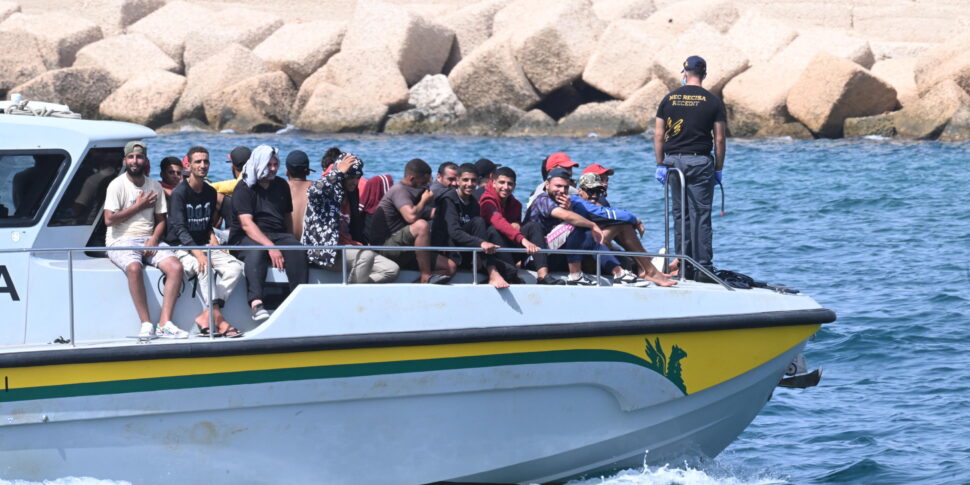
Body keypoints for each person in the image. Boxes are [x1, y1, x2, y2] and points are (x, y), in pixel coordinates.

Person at [102, 141, 188, 338]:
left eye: (139, 157)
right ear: (125, 160)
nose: (135, 161)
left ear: (146, 160)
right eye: (131, 157)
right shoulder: (116, 185)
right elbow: (109, 220)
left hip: (149, 238)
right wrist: (138, 206)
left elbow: (161, 221)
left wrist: (154, 239)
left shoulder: (154, 186)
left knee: (175, 267)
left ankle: (164, 323)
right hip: (120, 240)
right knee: (134, 268)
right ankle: (146, 323)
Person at [654, 55, 726, 282]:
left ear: (685, 73)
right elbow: (720, 139)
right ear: (704, 75)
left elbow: (658, 135)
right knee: (701, 215)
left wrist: (660, 164)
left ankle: (683, 264)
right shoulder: (713, 101)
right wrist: (718, 168)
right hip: (700, 162)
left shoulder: (669, 99)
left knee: (680, 214)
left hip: (673, 163)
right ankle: (703, 268)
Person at [166, 146, 245, 337]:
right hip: (181, 246)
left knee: (236, 268)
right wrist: (199, 255)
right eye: (198, 162)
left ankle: (207, 315)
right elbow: (180, 229)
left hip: (203, 244)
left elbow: (207, 224)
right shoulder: (179, 193)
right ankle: (220, 320)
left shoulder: (210, 192)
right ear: (189, 165)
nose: (203, 165)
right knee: (204, 267)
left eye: (206, 161)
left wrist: (212, 239)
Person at [229, 145, 308, 321]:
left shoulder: (281, 185)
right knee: (257, 251)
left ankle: (298, 301)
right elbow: (247, 224)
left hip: (277, 234)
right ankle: (256, 302)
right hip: (244, 237)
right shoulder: (244, 188)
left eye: (275, 164)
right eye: (268, 165)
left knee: (297, 249)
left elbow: (287, 217)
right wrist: (271, 247)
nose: (273, 169)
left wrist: (290, 240)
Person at [525, 168, 639, 286]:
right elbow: (567, 217)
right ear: (547, 185)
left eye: (565, 187)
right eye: (558, 186)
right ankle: (575, 275)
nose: (562, 190)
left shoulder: (566, 201)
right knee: (575, 225)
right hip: (536, 258)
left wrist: (571, 210)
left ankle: (618, 273)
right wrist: (592, 224)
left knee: (589, 234)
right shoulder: (543, 199)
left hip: (556, 256)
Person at [304, 153, 399, 284]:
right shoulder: (327, 192)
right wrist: (337, 172)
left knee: (391, 269)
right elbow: (312, 192)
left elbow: (356, 226)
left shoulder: (352, 194)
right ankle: (353, 294)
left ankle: (353, 289)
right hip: (325, 252)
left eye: (358, 177)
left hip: (349, 248)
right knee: (366, 256)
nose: (355, 181)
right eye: (350, 177)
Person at [573, 173, 676, 287]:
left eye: (598, 192)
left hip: (588, 252)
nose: (594, 195)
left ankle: (646, 269)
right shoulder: (577, 202)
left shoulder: (589, 202)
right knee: (622, 225)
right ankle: (648, 269)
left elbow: (610, 215)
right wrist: (635, 220)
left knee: (622, 226)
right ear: (580, 190)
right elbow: (604, 214)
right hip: (575, 259)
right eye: (591, 191)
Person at [366, 158, 452, 284]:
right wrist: (423, 201)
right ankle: (426, 275)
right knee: (421, 226)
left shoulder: (416, 191)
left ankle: (418, 286)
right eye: (424, 181)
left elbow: (430, 213)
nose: (427, 185)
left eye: (429, 181)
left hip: (405, 248)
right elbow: (411, 217)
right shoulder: (399, 190)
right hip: (385, 248)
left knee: (449, 267)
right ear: (412, 178)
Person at [431, 163, 514, 288]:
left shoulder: (473, 203)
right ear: (458, 180)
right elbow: (454, 232)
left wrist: (479, 252)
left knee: (510, 271)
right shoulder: (449, 200)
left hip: (466, 251)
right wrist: (481, 243)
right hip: (449, 251)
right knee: (478, 221)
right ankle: (492, 272)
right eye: (465, 180)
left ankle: (492, 275)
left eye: (473, 180)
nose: (469, 184)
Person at [479, 166, 542, 277]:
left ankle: (543, 274)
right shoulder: (486, 201)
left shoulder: (516, 205)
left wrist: (517, 224)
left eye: (510, 184)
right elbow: (498, 221)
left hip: (508, 247)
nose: (506, 187)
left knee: (534, 226)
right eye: (502, 182)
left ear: (514, 186)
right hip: (490, 251)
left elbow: (515, 225)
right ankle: (511, 273)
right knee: (494, 230)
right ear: (493, 183)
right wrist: (522, 240)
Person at [211, 146, 251, 228]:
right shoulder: (253, 177)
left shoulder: (240, 183)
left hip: (240, 222)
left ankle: (211, 230)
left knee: (216, 196)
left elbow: (216, 187)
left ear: (233, 166)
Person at [285, 149, 314, 240]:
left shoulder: (280, 188)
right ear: (308, 172)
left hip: (286, 245)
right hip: (310, 245)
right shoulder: (317, 189)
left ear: (287, 172)